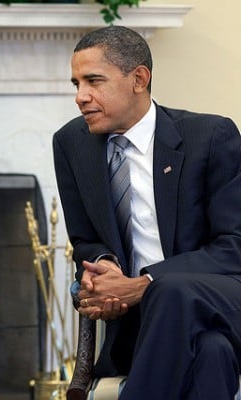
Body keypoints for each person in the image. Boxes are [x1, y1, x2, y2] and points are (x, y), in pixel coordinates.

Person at [53, 25, 241, 399]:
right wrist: (102, 266)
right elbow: (85, 241)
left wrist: (144, 284)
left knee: (169, 288)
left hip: (220, 299)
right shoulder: (71, 142)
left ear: (139, 79)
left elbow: (234, 246)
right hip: (143, 328)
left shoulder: (210, 136)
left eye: (93, 81)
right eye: (76, 83)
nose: (80, 96)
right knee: (211, 352)